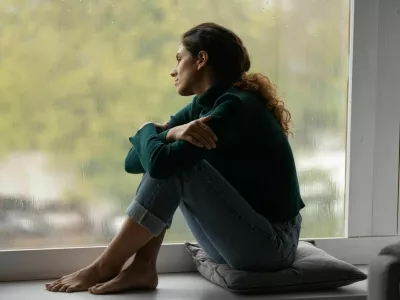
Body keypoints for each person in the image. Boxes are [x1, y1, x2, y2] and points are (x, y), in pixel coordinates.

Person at [45, 22, 305, 294]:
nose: (173, 70)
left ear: (201, 60)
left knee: (178, 167)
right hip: (243, 242)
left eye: (179, 59)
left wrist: (148, 128)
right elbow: (133, 162)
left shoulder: (236, 107)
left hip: (271, 246)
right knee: (166, 162)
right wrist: (170, 134)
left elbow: (159, 164)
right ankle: (142, 266)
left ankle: (105, 267)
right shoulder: (203, 105)